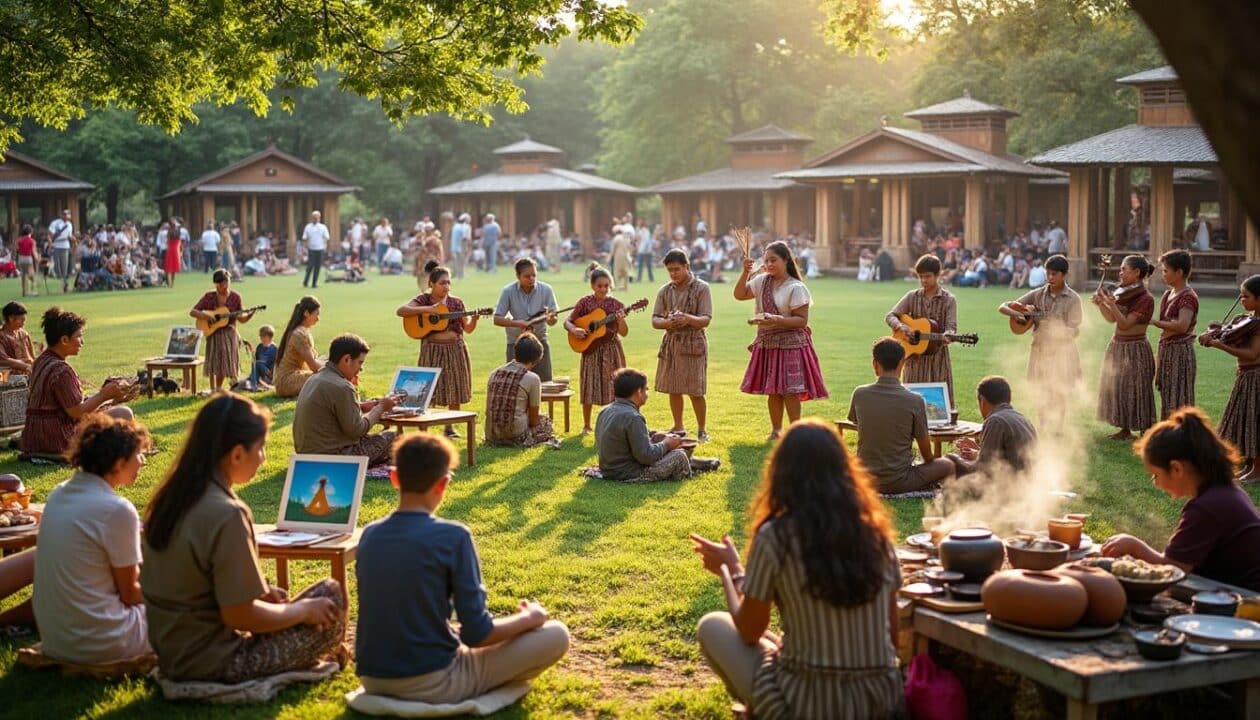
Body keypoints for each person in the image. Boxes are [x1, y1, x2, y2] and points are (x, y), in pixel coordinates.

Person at [691, 420, 904, 719]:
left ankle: (759, 712)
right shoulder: (877, 536)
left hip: (805, 702)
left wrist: (731, 570)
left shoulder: (776, 537)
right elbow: (893, 639)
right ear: (846, 472)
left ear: (781, 474)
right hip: (881, 702)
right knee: (775, 641)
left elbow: (750, 632)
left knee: (712, 626)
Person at [141, 394, 346, 682]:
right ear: (237, 454)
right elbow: (240, 616)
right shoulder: (227, 513)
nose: (263, 458)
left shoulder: (171, 498)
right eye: (261, 449)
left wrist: (265, 595)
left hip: (173, 653)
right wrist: (301, 611)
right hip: (217, 663)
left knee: (296, 601)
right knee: (329, 595)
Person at [355, 432, 569, 701]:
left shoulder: (369, 535)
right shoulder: (454, 537)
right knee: (557, 634)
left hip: (372, 677)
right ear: (443, 484)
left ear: (394, 477)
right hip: (433, 679)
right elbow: (478, 634)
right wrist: (530, 618)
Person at [33, 415, 151, 664]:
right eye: (138, 455)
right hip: (102, 641)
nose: (142, 461)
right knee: (190, 609)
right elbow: (130, 594)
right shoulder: (117, 510)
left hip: (57, 639)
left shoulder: (58, 494)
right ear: (118, 463)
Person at [1101, 408, 1260, 591]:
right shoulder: (1224, 492)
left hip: (1246, 602)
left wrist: (1134, 546)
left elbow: (1173, 569)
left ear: (1177, 469)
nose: (1155, 483)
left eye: (1156, 475)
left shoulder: (1207, 507)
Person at [735, 241, 828, 440]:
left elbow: (802, 321)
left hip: (791, 345)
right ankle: (776, 431)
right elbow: (740, 294)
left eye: (773, 260)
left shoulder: (796, 287)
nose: (768, 264)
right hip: (768, 342)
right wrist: (745, 272)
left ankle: (796, 432)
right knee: (773, 390)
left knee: (790, 391)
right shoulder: (761, 281)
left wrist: (776, 319)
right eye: (766, 260)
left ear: (786, 260)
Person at [21, 308, 132, 457]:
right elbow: (76, 413)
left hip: (34, 437)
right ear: (64, 340)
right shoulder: (62, 370)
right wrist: (104, 395)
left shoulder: (41, 361)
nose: (82, 342)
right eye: (79, 336)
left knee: (108, 408)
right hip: (57, 438)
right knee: (123, 412)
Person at [847, 338, 954, 493]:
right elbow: (927, 455)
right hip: (899, 481)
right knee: (947, 464)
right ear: (902, 364)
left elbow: (860, 426)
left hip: (864, 480)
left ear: (874, 364)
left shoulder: (860, 393)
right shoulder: (915, 400)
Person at [998, 254, 1082, 427]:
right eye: (1048, 273)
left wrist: (1055, 328)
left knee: (1060, 389)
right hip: (1039, 349)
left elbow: (1075, 329)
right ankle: (1043, 424)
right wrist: (1021, 314)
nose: (1050, 278)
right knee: (1041, 388)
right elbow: (1003, 307)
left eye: (1054, 274)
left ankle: (1058, 425)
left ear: (1064, 275)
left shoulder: (1074, 299)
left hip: (1062, 351)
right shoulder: (1037, 294)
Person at [397, 262, 478, 437]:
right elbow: (401, 311)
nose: (446, 286)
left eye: (448, 283)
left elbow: (468, 329)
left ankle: (450, 427)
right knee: (427, 387)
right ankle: (423, 426)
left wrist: (476, 318)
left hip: (454, 350)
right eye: (442, 283)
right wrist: (429, 309)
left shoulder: (457, 303)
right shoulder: (423, 299)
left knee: (454, 387)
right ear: (431, 284)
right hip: (432, 350)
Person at [293, 334, 399, 465]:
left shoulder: (315, 378)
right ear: (347, 359)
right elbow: (357, 430)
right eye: (360, 362)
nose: (361, 368)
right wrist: (381, 407)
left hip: (306, 455)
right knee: (394, 436)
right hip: (333, 458)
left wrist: (361, 406)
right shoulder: (342, 386)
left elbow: (330, 411)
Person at [595, 368, 715, 482]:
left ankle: (697, 463)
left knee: (661, 438)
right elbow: (646, 456)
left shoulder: (605, 410)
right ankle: (689, 469)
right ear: (638, 392)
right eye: (646, 389)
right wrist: (666, 444)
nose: (647, 394)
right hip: (628, 473)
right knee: (679, 456)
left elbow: (627, 436)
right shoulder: (633, 417)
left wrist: (658, 435)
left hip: (608, 468)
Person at [1200, 274, 1260, 483]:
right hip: (1246, 376)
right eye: (1241, 296)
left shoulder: (1258, 324)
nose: (1242, 300)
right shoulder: (1249, 321)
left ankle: (1257, 469)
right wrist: (1214, 331)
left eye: (1246, 296)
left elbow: (1252, 354)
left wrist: (1220, 345)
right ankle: (1251, 465)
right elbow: (1232, 335)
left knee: (1255, 421)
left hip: (1256, 377)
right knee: (1248, 420)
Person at [1094, 254, 1156, 440]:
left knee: (1138, 387)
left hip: (1135, 347)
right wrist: (1101, 305)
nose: (1120, 273)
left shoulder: (1146, 298)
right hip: (1118, 345)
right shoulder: (1124, 292)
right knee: (1119, 386)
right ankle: (1125, 429)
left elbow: (1126, 324)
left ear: (1136, 273)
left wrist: (1111, 304)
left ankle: (1145, 429)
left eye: (1123, 269)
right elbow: (1112, 319)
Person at [652, 249, 712, 440]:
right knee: (673, 387)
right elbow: (654, 320)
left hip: (694, 342)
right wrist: (668, 323)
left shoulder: (702, 288)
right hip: (671, 342)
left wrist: (687, 318)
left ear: (687, 267)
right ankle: (678, 426)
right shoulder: (665, 290)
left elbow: (705, 319)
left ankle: (702, 429)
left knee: (695, 389)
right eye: (670, 270)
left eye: (677, 269)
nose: (673, 274)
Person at [886, 254, 959, 406]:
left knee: (939, 405)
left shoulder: (949, 300)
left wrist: (948, 336)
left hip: (938, 360)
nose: (924, 281)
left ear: (938, 275)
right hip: (914, 361)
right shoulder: (912, 296)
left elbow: (951, 328)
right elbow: (891, 315)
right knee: (911, 402)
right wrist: (902, 327)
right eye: (920, 277)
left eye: (928, 276)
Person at [566, 267, 628, 435]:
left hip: (611, 349)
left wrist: (620, 320)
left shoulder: (616, 305)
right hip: (590, 349)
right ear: (593, 285)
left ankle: (614, 423)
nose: (603, 289)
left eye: (607, 286)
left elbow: (623, 332)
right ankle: (586, 425)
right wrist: (574, 330)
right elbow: (568, 321)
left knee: (613, 384)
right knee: (588, 384)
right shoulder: (584, 303)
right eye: (600, 285)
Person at [948, 376, 1037, 477]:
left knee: (951, 460)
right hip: (1029, 482)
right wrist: (978, 452)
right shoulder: (1023, 419)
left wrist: (959, 460)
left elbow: (985, 467)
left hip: (1007, 485)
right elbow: (1002, 457)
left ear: (983, 400)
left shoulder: (995, 421)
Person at [484, 335, 558, 448]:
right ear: (537, 359)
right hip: (516, 436)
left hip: (492, 435)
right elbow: (534, 419)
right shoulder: (532, 378)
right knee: (546, 422)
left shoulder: (494, 373)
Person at [493, 258, 559, 382]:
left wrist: (551, 319)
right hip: (516, 344)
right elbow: (497, 319)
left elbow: (553, 320)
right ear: (518, 276)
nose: (531, 279)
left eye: (534, 275)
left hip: (539, 343)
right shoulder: (508, 291)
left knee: (543, 384)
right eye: (527, 276)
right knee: (514, 384)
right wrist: (518, 323)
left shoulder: (546, 290)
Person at [190, 270, 254, 393]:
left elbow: (241, 319)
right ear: (216, 284)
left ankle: (226, 383)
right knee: (219, 345)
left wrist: (250, 314)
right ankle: (220, 386)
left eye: (226, 284)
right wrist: (207, 317)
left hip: (230, 332)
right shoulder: (209, 296)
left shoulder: (235, 297)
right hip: (213, 332)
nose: (223, 287)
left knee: (225, 343)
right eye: (220, 285)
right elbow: (193, 312)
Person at [1153, 250, 1199, 418]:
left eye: (1166, 270)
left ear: (1179, 272)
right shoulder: (1167, 294)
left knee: (1180, 398)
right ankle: (1169, 437)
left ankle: (1183, 437)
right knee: (1167, 395)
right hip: (1167, 351)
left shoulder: (1188, 296)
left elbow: (1182, 326)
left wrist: (1153, 322)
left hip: (1180, 353)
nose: (1163, 274)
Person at [274, 296, 323, 398]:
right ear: (306, 313)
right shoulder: (299, 334)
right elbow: (314, 366)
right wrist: (338, 373)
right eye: (316, 314)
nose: (318, 319)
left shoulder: (302, 331)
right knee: (326, 379)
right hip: (288, 382)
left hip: (292, 378)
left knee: (328, 367)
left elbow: (316, 360)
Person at [0, 301, 38, 374]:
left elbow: (32, 357)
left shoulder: (24, 335)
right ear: (11, 318)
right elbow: (3, 360)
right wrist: (24, 366)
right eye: (22, 320)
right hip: (6, 379)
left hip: (28, 376)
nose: (24, 323)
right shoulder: (1, 336)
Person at [302, 210, 329, 288]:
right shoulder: (308, 227)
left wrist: (325, 246)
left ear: (319, 218)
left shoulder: (323, 227)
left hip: (320, 249)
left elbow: (326, 238)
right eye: (314, 218)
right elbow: (305, 238)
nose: (315, 219)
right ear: (312, 218)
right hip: (311, 249)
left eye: (317, 218)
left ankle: (314, 283)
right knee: (310, 266)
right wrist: (305, 247)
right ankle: (306, 281)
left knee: (317, 267)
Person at [247, 325, 278, 392]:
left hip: (269, 372)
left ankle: (254, 385)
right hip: (260, 369)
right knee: (256, 363)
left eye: (264, 336)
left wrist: (272, 374)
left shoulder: (274, 348)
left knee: (257, 363)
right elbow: (255, 360)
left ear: (270, 337)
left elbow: (277, 363)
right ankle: (255, 382)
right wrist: (252, 352)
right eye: (261, 336)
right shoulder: (259, 347)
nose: (261, 338)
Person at [49, 208, 73, 292]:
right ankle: (60, 283)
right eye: (64, 214)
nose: (66, 216)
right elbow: (50, 234)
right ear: (61, 215)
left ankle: (65, 285)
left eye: (67, 214)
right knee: (57, 267)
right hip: (56, 245)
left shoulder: (69, 224)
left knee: (65, 267)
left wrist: (74, 239)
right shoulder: (55, 223)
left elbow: (69, 236)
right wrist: (50, 243)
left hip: (65, 245)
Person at [15, 224, 38, 297]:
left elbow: (17, 250)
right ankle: (32, 290)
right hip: (28, 258)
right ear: (30, 232)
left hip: (21, 258)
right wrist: (37, 259)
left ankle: (24, 292)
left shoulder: (19, 240)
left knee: (23, 275)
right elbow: (34, 252)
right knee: (31, 274)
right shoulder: (32, 241)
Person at [610, 226, 632, 291]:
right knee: (625, 272)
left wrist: (611, 257)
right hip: (626, 256)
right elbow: (630, 247)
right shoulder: (626, 238)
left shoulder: (616, 238)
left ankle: (616, 286)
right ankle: (625, 287)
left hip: (618, 257)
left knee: (617, 272)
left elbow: (613, 249)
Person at [163, 219, 182, 288]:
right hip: (175, 250)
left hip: (170, 249)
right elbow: (179, 241)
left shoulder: (170, 231)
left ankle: (170, 283)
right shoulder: (177, 231)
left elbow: (167, 240)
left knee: (169, 268)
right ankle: (172, 284)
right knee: (173, 268)